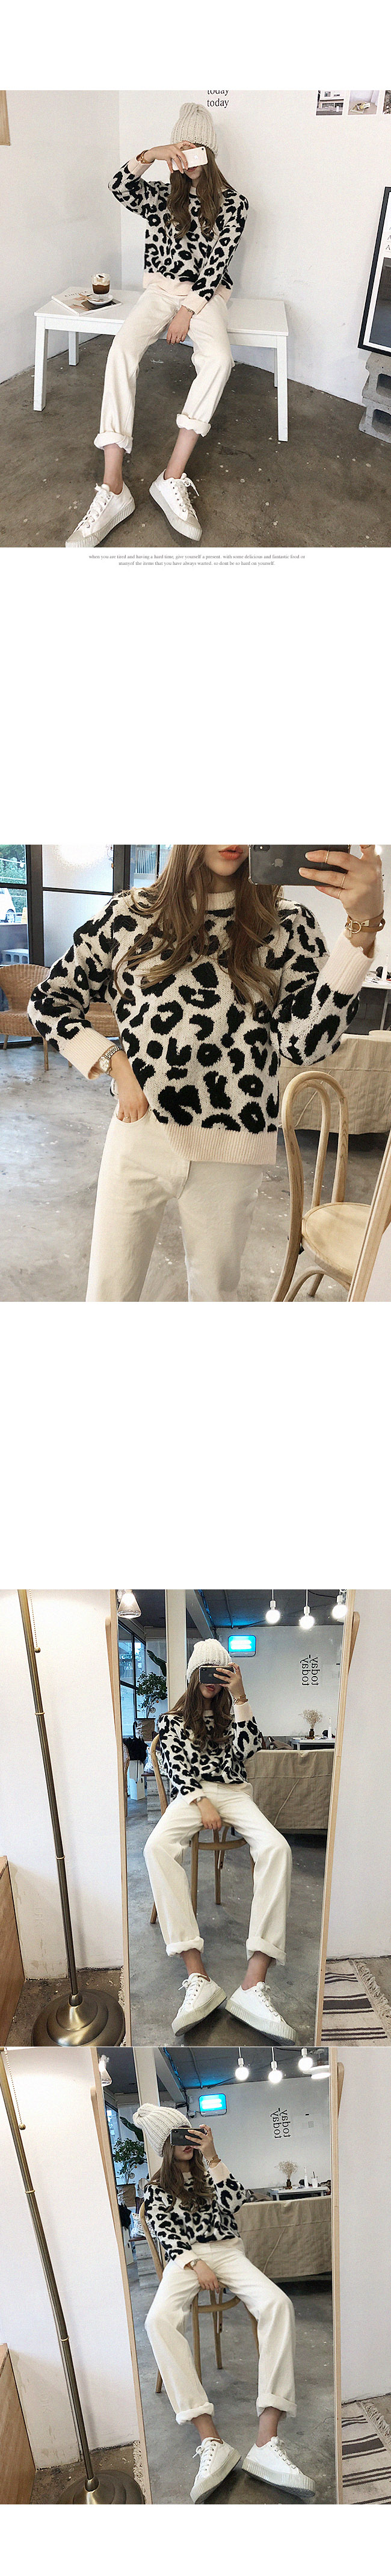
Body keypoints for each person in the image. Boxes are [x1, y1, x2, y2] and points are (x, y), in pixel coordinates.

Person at [27, 841, 384, 1304]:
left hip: (233, 1149)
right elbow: (48, 1003)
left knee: (216, 1296)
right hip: (140, 1132)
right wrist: (115, 1064)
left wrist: (361, 930)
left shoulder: (288, 925)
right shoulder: (129, 915)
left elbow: (303, 1043)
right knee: (109, 1293)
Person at [67, 104, 248, 548]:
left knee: (219, 360)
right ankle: (113, 486)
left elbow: (217, 263)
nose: (188, 156)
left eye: (197, 147)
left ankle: (172, 476)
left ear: (210, 151)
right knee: (120, 351)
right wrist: (151, 154)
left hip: (204, 296)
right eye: (182, 147)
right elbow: (119, 186)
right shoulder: (161, 196)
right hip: (159, 291)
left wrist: (188, 310)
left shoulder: (234, 203)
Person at [134, 2101, 314, 2500]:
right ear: (165, 2145)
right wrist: (195, 2263)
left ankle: (267, 2438)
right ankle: (209, 2438)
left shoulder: (209, 2173)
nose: (187, 2141)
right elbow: (165, 2232)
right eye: (177, 2136)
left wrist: (213, 2156)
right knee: (157, 2321)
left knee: (278, 2304)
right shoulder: (156, 2187)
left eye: (189, 2133)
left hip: (229, 2252)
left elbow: (235, 2201)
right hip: (185, 2259)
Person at [144, 1639, 294, 2037]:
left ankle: (254, 1982)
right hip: (191, 1795)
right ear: (193, 1675)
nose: (212, 1679)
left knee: (277, 1848)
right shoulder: (172, 1719)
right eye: (205, 1672)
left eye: (220, 1672)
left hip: (234, 1793)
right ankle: (197, 1975)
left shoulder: (231, 1716)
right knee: (156, 1848)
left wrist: (241, 1696)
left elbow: (248, 1750)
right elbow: (175, 1765)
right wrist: (200, 1800)